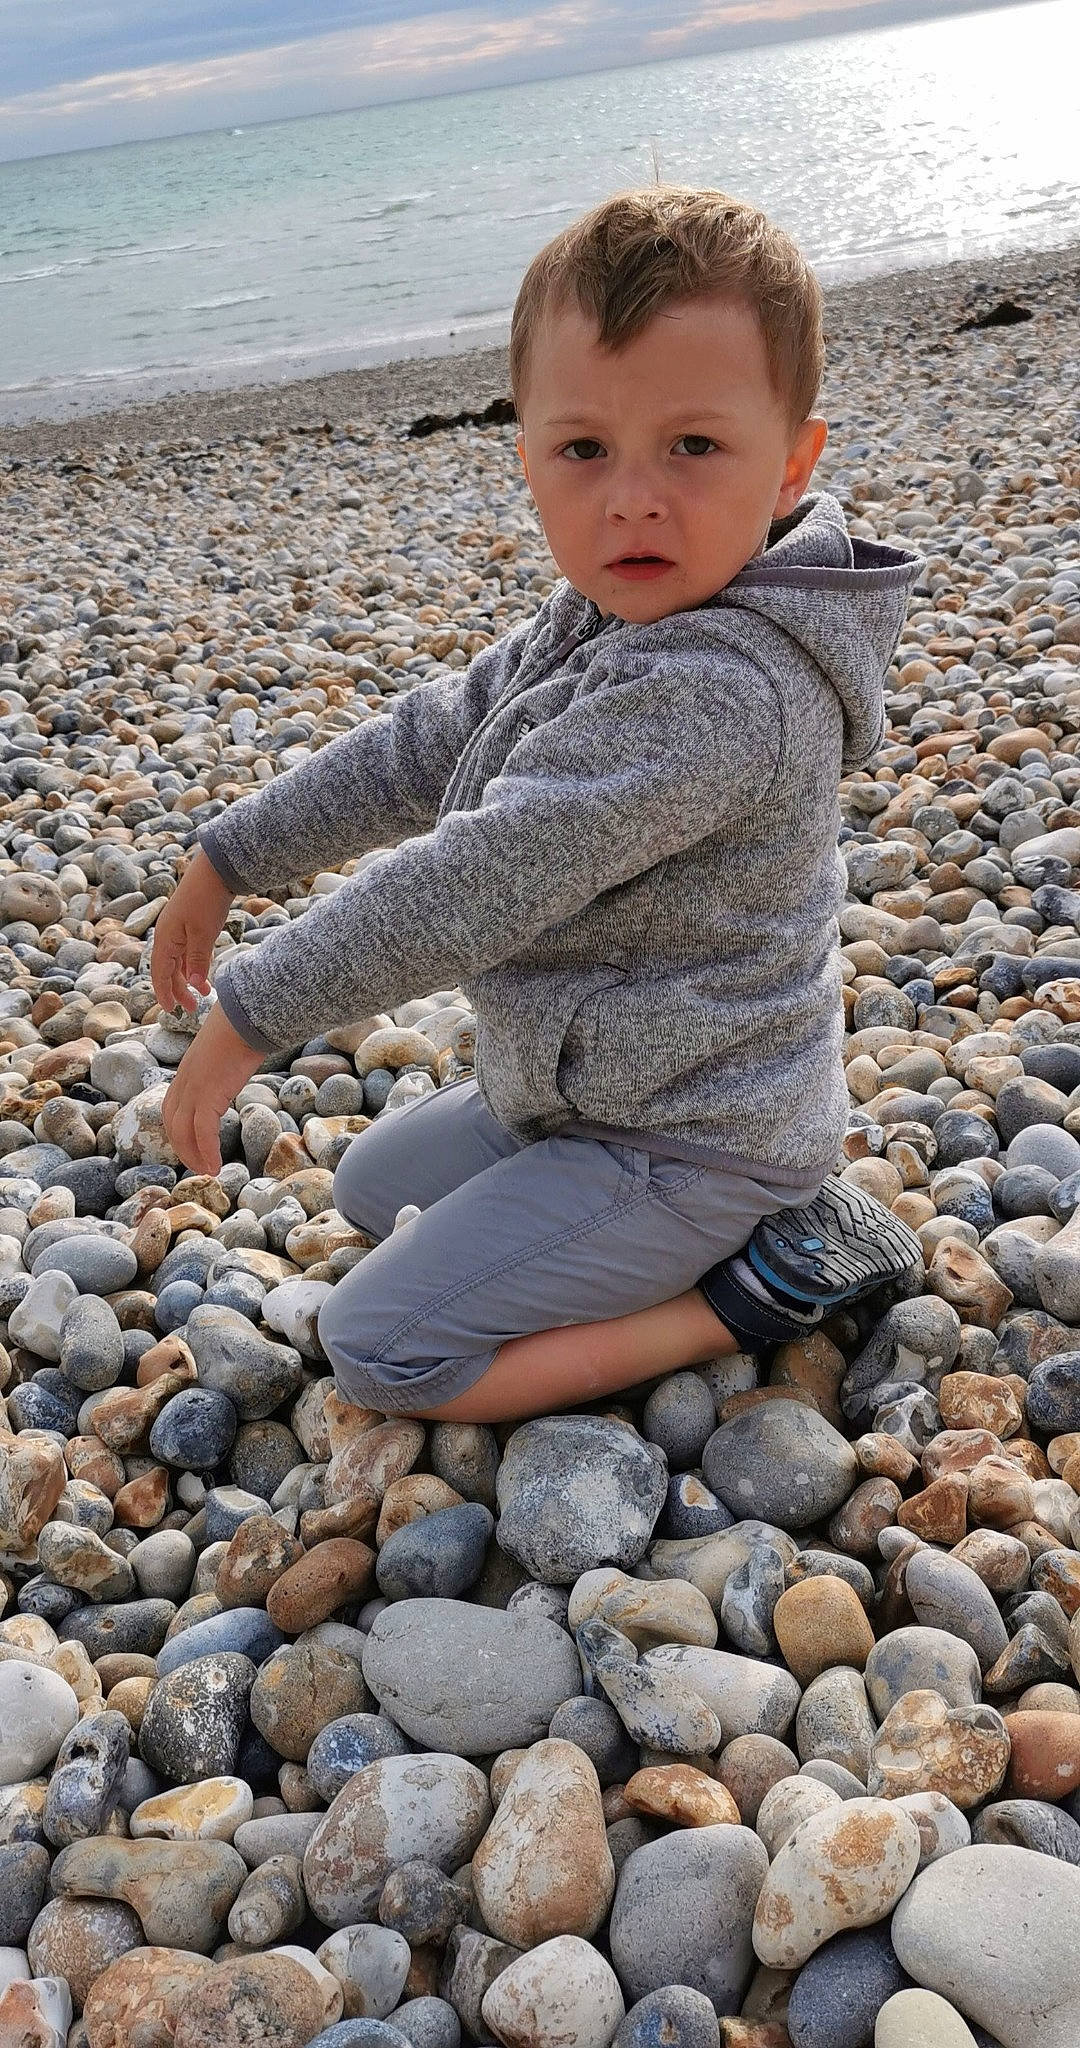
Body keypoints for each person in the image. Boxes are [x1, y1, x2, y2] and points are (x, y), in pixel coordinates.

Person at [151, 182, 925, 1427]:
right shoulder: (606, 615)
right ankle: (626, 1221)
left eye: (693, 446)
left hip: (697, 1134)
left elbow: (474, 876)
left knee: (381, 1345)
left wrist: (253, 1014)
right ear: (527, 453)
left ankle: (765, 1283)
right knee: (367, 1184)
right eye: (584, 449)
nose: (633, 497)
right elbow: (423, 745)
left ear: (791, 464)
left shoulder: (719, 693)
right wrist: (230, 854)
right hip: (581, 1087)